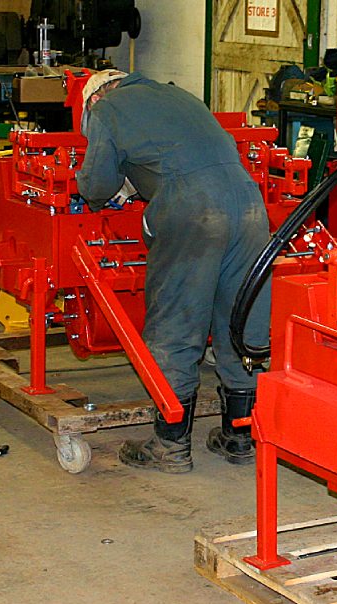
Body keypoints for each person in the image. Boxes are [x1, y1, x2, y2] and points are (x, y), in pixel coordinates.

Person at [75, 69, 271, 474]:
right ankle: (240, 437)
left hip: (195, 209)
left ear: (94, 99)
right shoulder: (179, 94)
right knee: (240, 322)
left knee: (176, 324)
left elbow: (96, 184)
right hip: (251, 207)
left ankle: (170, 446)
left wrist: (104, 188)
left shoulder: (107, 108)